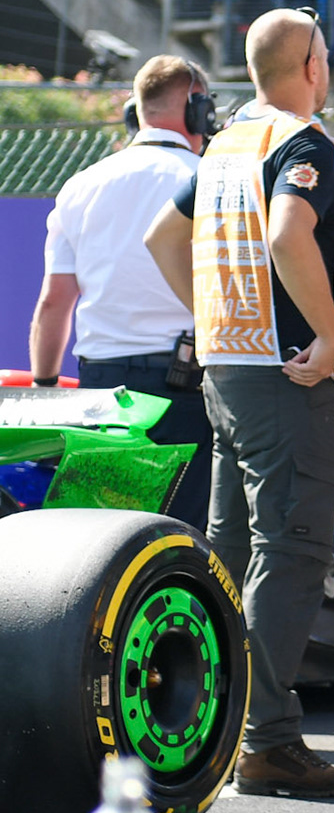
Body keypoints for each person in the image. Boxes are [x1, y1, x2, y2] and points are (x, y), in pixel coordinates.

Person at [143, 7, 334, 797]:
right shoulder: (303, 141)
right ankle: (263, 737)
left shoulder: (230, 142)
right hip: (286, 376)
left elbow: (162, 241)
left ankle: (213, 724)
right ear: (311, 66)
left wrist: (208, 322)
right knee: (293, 551)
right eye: (326, 55)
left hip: (230, 372)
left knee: (232, 552)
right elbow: (286, 235)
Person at [32, 55, 216, 530]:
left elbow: (54, 302)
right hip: (187, 385)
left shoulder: (81, 185)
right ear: (198, 110)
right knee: (180, 540)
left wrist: (47, 388)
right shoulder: (206, 180)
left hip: (104, 391)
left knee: (107, 536)